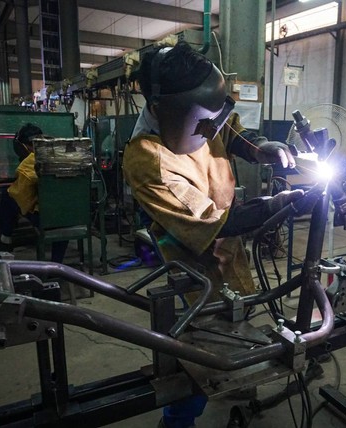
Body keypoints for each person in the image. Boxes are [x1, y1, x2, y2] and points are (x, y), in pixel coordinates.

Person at [122, 41, 303, 428]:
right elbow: (211, 224)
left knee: (237, 331)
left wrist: (258, 150)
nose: (212, 128)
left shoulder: (198, 117)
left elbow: (226, 129)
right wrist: (274, 206)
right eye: (203, 123)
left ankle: (233, 382)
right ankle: (177, 421)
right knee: (196, 367)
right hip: (194, 276)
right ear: (158, 111)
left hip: (229, 256)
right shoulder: (148, 159)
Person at [0, 123, 68, 264]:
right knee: (61, 214)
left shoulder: (30, 162)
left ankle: (6, 238)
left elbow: (20, 195)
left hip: (45, 219)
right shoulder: (60, 155)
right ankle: (57, 263)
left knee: (8, 195)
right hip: (70, 216)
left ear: (25, 145)